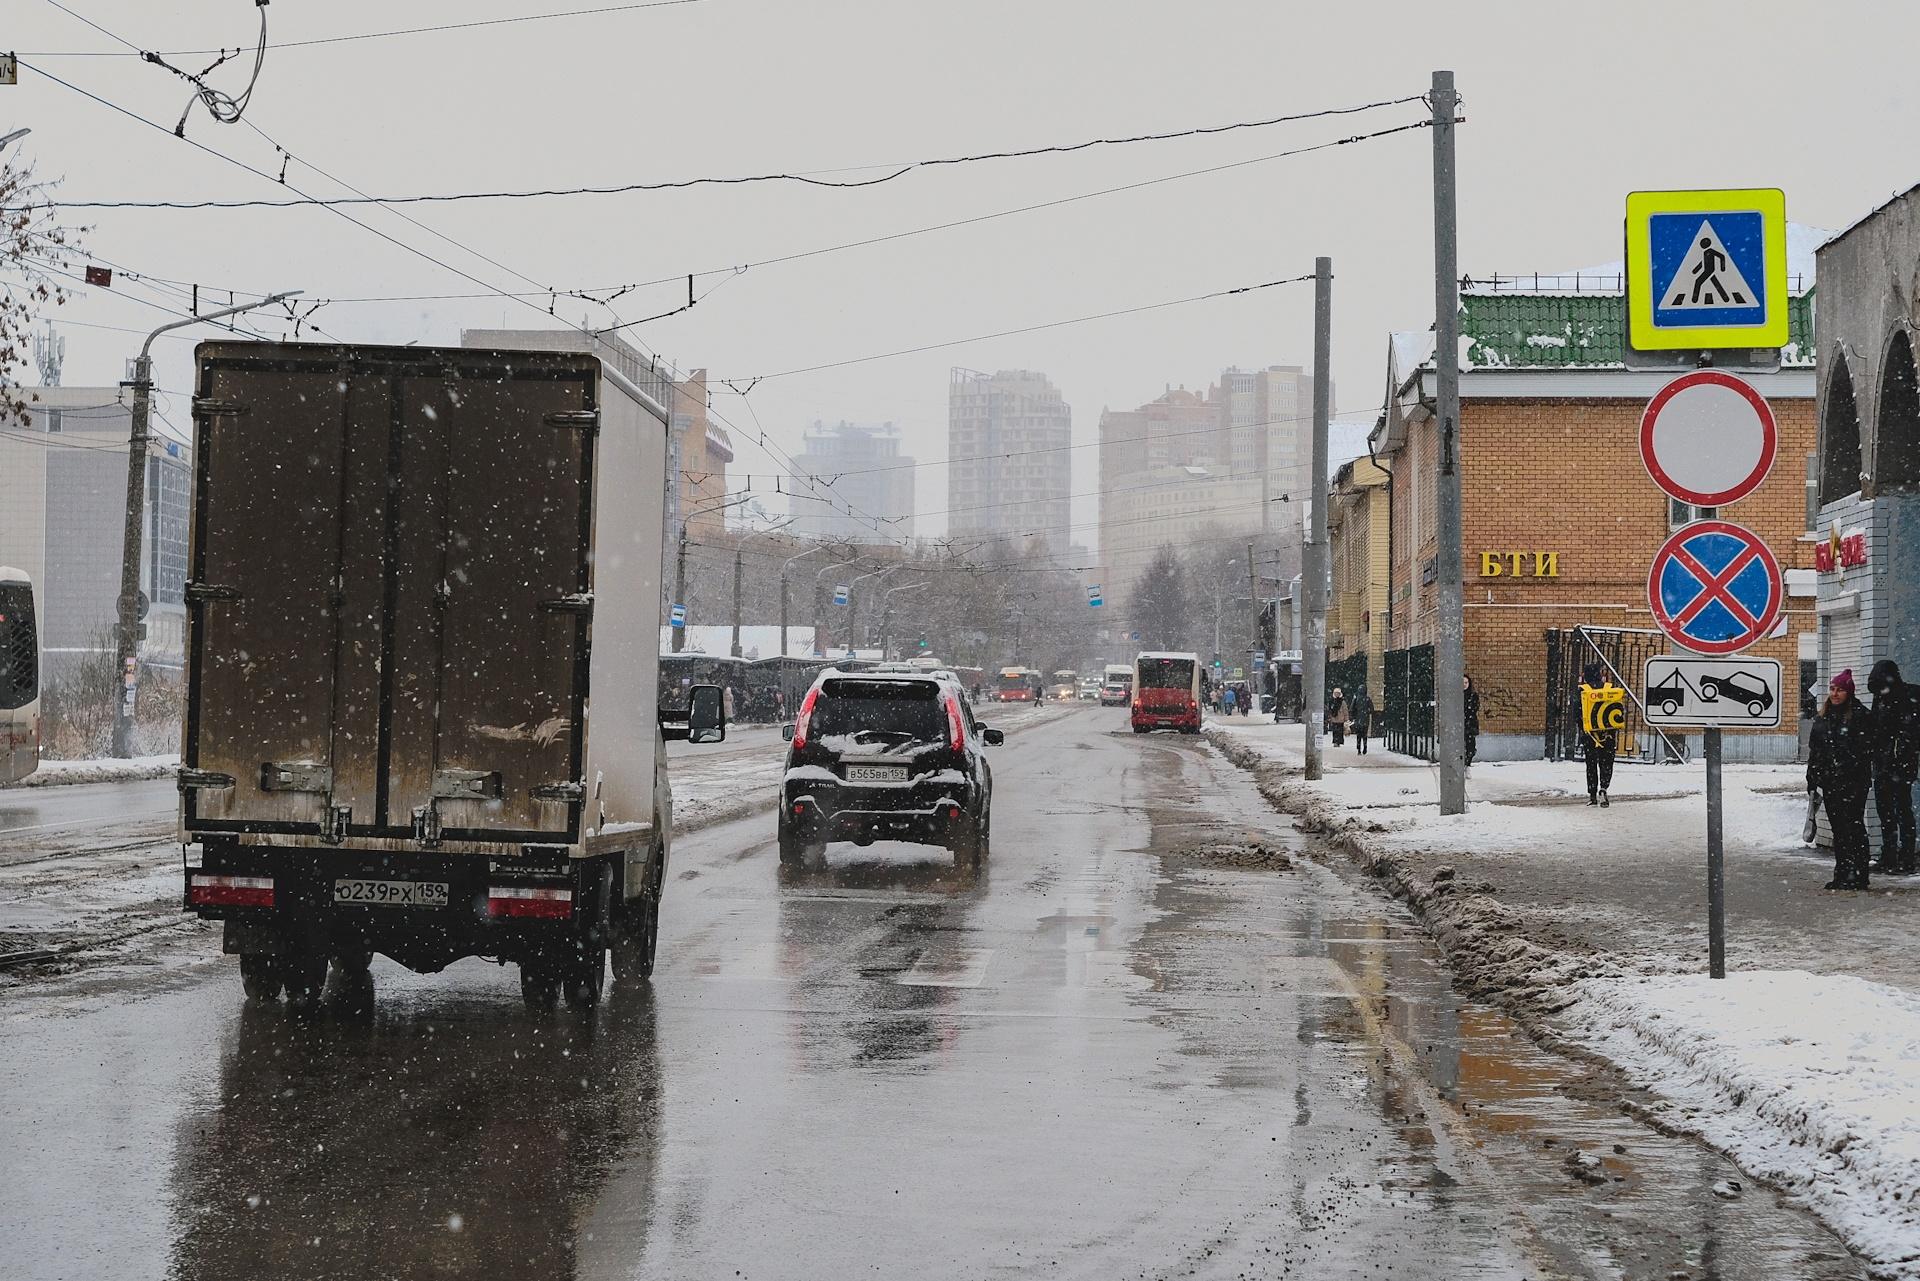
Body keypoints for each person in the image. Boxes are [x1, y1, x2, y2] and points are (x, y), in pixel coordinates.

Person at [1809, 669, 1876, 890]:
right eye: (1832, 689)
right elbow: (1815, 751)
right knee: (1839, 829)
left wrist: (1847, 767)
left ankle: (1858, 874)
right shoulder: (1823, 718)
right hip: (1831, 782)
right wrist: (1812, 779)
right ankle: (1843, 873)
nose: (1835, 693)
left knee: (1853, 826)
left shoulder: (1860, 716)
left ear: (1849, 692)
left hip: (1853, 782)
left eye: (1840, 689)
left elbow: (1866, 751)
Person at [1870, 660, 1919, 875]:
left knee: (1901, 810)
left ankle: (1905, 857)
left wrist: (1902, 751)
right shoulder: (1881, 697)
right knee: (1887, 812)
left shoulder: (1908, 697)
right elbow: (1875, 731)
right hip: (1884, 763)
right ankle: (1890, 855)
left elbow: (1911, 731)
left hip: (1900, 764)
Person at [1577, 663, 1617, 807]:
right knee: (1606, 763)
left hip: (1590, 735)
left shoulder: (1582, 691)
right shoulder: (1609, 689)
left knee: (1591, 764)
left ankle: (1592, 795)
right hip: (1607, 734)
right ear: (1600, 675)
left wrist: (1583, 729)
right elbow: (1617, 710)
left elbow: (1577, 714)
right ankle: (1604, 788)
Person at [1350, 685, 1374, 754]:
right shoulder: (1367, 699)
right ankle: (1365, 747)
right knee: (1364, 734)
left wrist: (1354, 716)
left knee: (1358, 735)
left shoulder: (1356, 698)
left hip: (1358, 719)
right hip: (1365, 719)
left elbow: (1351, 708)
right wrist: (1367, 712)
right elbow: (1372, 710)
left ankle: (1358, 748)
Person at [1463, 675, 1481, 766]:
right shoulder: (1456, 696)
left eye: (1466, 683)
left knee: (1470, 747)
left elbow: (1474, 708)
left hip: (1470, 724)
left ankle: (1467, 765)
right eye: (1462, 683)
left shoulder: (1473, 695)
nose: (1464, 685)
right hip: (1460, 725)